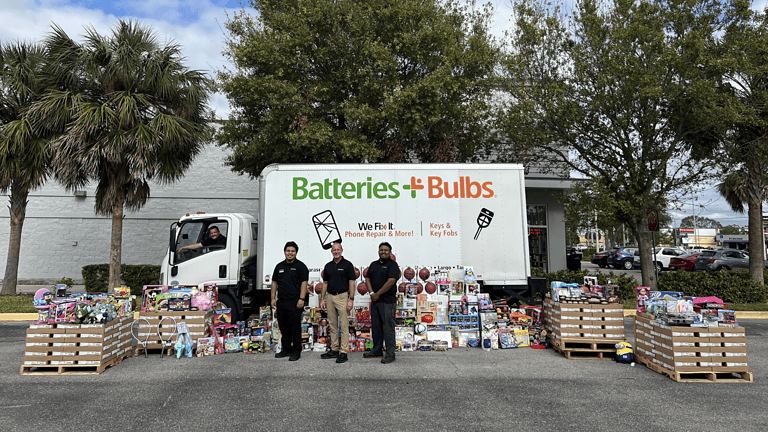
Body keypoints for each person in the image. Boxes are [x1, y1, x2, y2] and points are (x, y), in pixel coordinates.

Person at [271, 241, 309, 361]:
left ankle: (296, 350)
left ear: (296, 252)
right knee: (283, 326)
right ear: (284, 252)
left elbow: (304, 283)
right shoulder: (279, 266)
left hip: (295, 301)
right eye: (288, 251)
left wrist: (302, 299)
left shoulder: (301, 266)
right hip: (281, 301)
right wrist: (273, 298)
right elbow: (274, 282)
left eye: (292, 251)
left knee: (295, 327)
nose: (290, 253)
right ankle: (286, 349)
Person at [319, 242, 356, 363]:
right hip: (330, 297)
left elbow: (352, 282)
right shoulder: (328, 266)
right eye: (334, 250)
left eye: (338, 249)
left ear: (342, 250)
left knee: (344, 325)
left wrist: (351, 299)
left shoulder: (347, 265)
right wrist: (322, 299)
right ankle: (334, 349)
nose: (336, 251)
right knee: (332, 325)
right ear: (331, 251)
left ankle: (344, 351)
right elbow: (325, 283)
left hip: (343, 297)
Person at [364, 242, 399, 364]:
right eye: (381, 250)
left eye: (386, 250)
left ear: (390, 252)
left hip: (387, 302)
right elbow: (367, 278)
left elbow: (391, 281)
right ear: (378, 251)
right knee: (376, 327)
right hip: (375, 302)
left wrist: (377, 294)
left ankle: (390, 354)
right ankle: (377, 350)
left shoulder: (393, 265)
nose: (383, 252)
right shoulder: (373, 265)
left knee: (388, 328)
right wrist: (371, 293)